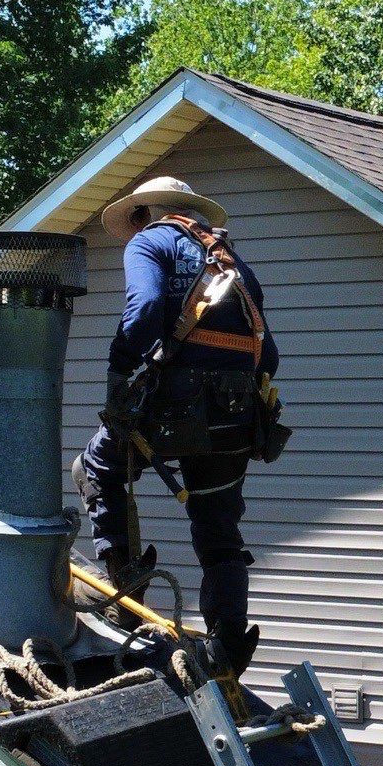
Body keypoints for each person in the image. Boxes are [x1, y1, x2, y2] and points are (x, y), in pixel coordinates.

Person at [74, 175, 283, 674]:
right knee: (218, 529)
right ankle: (228, 645)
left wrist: (120, 372)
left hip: (177, 407)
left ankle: (126, 597)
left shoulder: (151, 240)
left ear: (145, 214)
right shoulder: (237, 266)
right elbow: (267, 355)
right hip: (238, 417)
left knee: (97, 467)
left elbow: (143, 310)